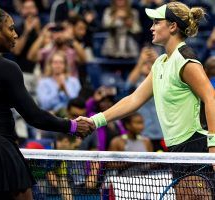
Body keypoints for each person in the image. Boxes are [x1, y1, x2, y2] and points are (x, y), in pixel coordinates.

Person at [0, 4, 93, 200]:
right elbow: (34, 116)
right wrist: (72, 126)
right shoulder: (7, 67)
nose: (15, 34)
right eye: (11, 28)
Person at [78, 1, 215, 199]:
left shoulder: (186, 60)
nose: (151, 27)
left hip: (195, 143)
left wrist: (213, 146)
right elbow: (134, 99)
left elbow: (211, 97)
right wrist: (95, 121)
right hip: (177, 147)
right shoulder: (160, 63)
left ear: (172, 26)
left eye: (156, 22)